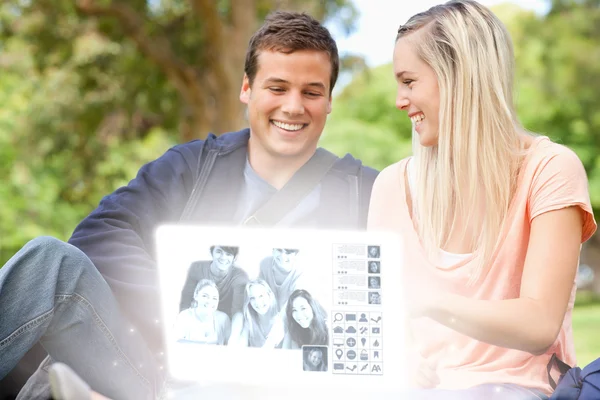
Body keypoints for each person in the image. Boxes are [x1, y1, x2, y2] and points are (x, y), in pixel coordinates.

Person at [1, 10, 378, 400]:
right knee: (50, 262)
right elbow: (99, 233)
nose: (294, 106)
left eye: (311, 92)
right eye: (277, 88)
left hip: (291, 389)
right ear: (247, 89)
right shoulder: (193, 167)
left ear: (330, 100)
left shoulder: (365, 192)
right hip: (155, 377)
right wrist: (179, 304)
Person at [367, 1, 597, 399]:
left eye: (409, 81)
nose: (399, 100)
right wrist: (398, 353)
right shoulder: (391, 186)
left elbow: (539, 323)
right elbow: (377, 316)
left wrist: (427, 302)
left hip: (515, 388)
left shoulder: (550, 169)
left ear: (458, 77)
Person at [178, 246, 248, 318]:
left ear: (234, 258)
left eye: (228, 254)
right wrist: (185, 323)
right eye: (219, 252)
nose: (223, 257)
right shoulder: (196, 268)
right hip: (200, 316)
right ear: (212, 253)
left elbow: (238, 311)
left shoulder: (239, 277)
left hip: (226, 320)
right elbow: (186, 301)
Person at [228, 280, 284, 348]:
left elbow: (269, 346)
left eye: (261, 296)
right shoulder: (250, 322)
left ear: (269, 295)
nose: (258, 302)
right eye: (252, 298)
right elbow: (242, 345)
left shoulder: (280, 320)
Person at [173, 279, 231, 345]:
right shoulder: (184, 317)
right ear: (196, 296)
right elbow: (175, 344)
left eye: (214, 298)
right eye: (205, 296)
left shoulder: (223, 319)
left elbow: (231, 347)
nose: (209, 301)